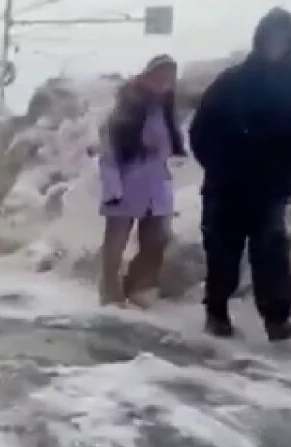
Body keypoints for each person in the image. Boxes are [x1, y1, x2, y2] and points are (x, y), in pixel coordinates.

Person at [189, 7, 291, 342]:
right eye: (271, 37)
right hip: (226, 184)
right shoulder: (232, 80)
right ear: (260, 38)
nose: (276, 44)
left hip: (270, 186)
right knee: (222, 250)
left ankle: (276, 319)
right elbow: (201, 129)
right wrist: (217, 165)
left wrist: (290, 169)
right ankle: (217, 312)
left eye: (284, 38)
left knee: (271, 252)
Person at [96, 54, 186, 307]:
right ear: (149, 75)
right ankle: (109, 290)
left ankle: (136, 284)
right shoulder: (127, 107)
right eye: (161, 75)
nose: (165, 82)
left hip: (156, 187)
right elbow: (109, 152)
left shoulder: (165, 109)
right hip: (126, 184)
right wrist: (113, 188)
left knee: (157, 240)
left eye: (170, 77)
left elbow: (168, 149)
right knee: (116, 241)